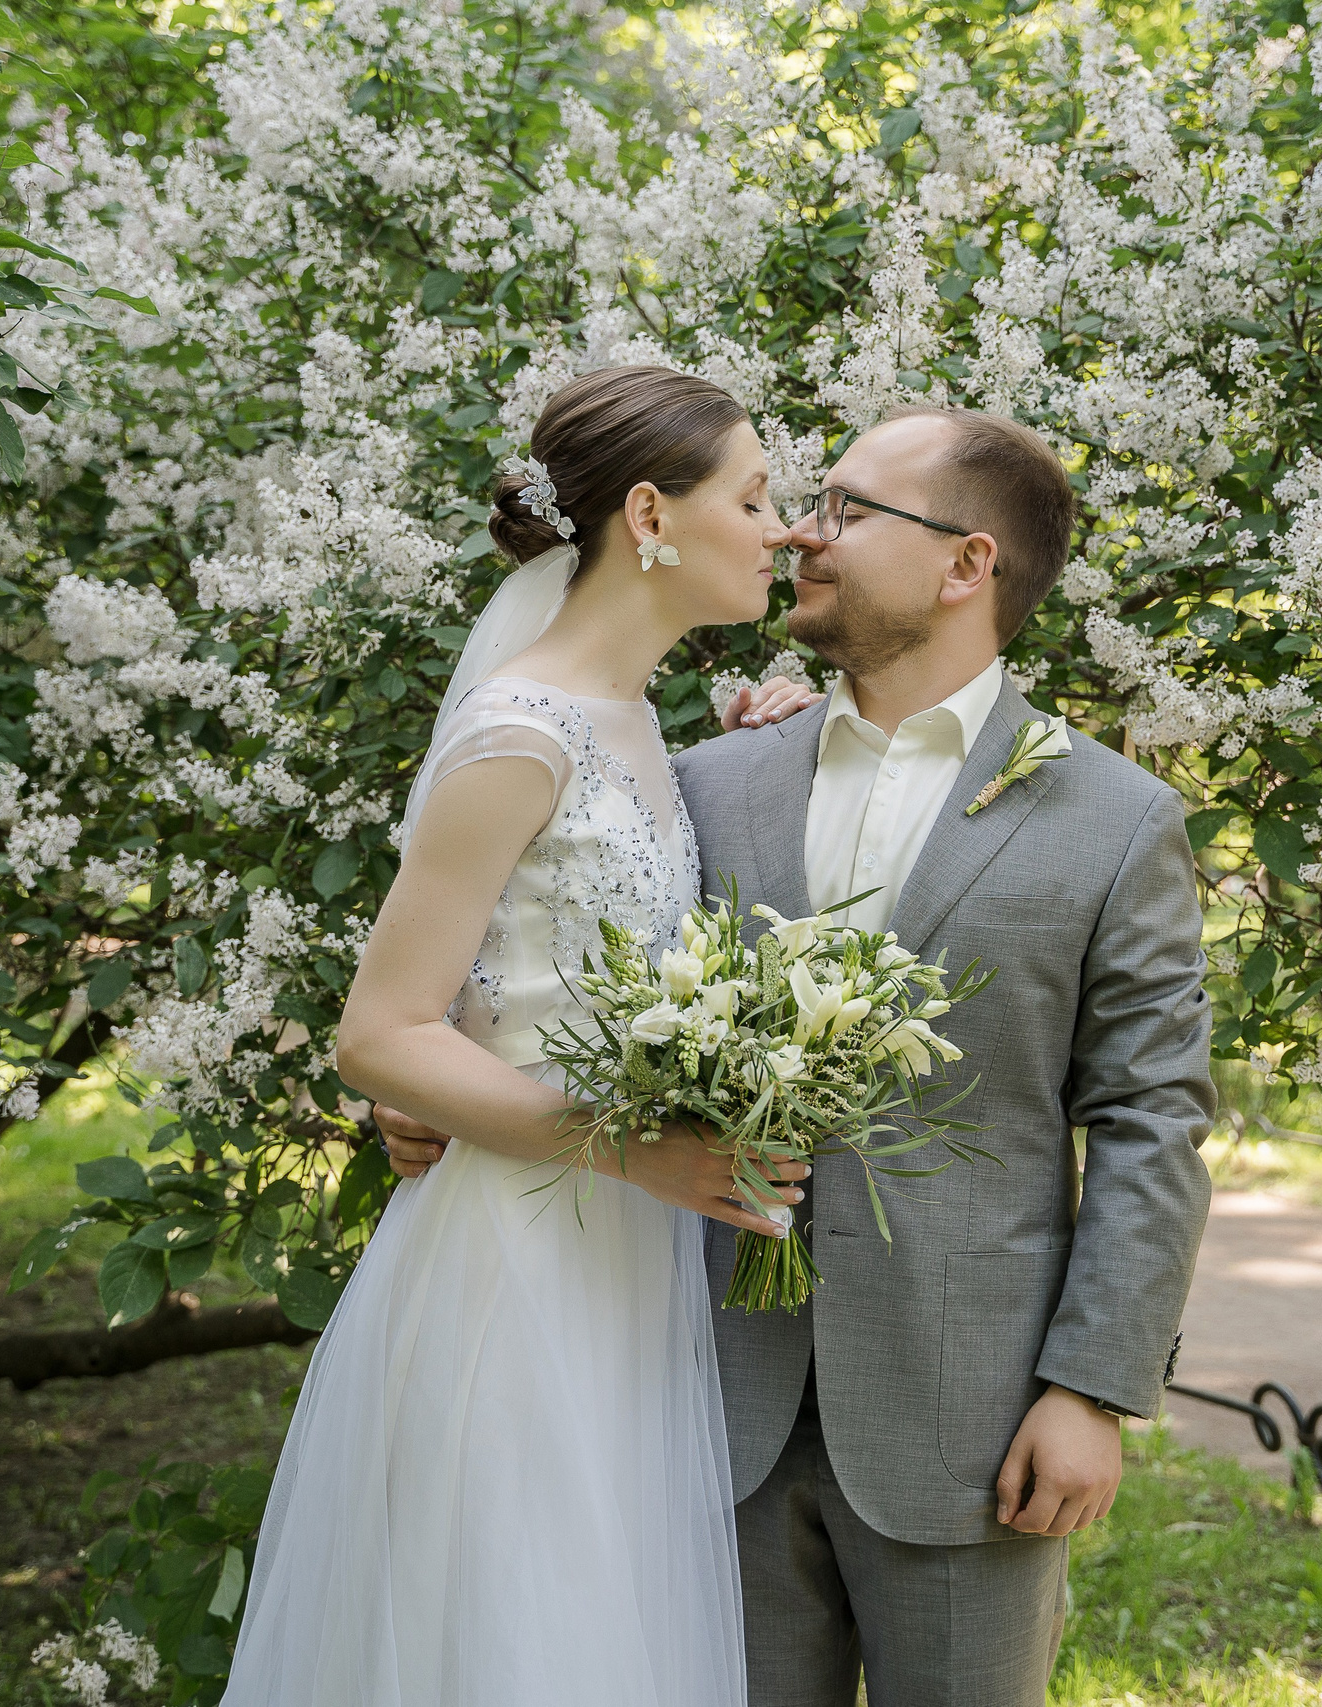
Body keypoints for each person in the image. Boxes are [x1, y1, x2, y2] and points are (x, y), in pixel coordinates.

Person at [383, 405, 1217, 1707]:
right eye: (803, 502)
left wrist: (1093, 1390)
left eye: (847, 509)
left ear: (965, 565)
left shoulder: (1115, 822)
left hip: (974, 1423)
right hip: (701, 1411)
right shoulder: (705, 779)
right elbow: (535, 984)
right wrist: (441, 1103)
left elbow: (1152, 1119)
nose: (804, 535)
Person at [219, 365, 818, 1707]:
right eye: (759, 496)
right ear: (652, 516)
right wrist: (637, 1155)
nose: (782, 528)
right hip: (519, 1266)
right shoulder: (519, 732)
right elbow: (380, 1031)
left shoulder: (638, 722)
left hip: (628, 1267)